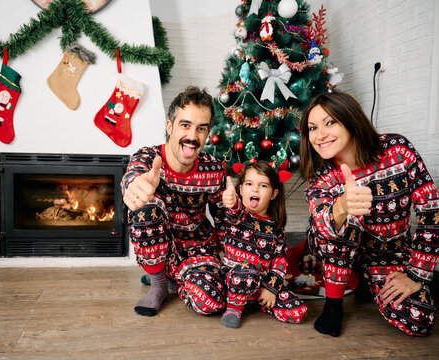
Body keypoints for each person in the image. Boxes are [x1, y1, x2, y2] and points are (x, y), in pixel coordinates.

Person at [299, 91, 438, 337]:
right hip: (333, 249)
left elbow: (431, 210)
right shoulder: (321, 178)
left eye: (330, 122)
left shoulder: (398, 150)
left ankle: (366, 280)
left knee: (419, 320)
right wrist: (341, 207)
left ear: (351, 120)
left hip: (388, 254)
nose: (319, 135)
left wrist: (417, 275)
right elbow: (320, 227)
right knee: (346, 220)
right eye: (312, 128)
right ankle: (334, 306)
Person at [121, 86, 227, 317]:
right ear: (170, 127)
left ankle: (174, 275)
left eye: (201, 128)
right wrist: (134, 186)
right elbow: (133, 177)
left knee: (210, 303)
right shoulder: (148, 158)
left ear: (207, 134)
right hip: (161, 247)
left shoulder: (215, 169)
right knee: (145, 208)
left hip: (198, 250)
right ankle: (159, 284)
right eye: (185, 125)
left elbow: (225, 222)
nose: (192, 136)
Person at [220, 161, 307, 328]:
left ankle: (258, 302)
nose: (255, 189)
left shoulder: (276, 226)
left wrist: (271, 289)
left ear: (273, 194)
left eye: (263, 186)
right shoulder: (240, 216)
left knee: (298, 312)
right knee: (247, 272)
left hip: (261, 285)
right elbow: (233, 212)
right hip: (234, 278)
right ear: (240, 189)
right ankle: (234, 308)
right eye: (249, 184)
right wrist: (232, 203)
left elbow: (280, 259)